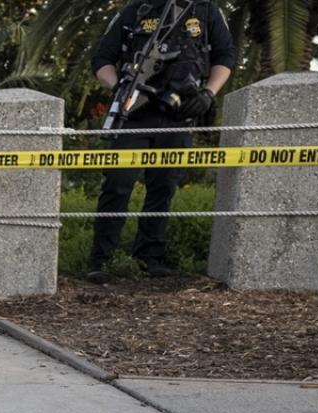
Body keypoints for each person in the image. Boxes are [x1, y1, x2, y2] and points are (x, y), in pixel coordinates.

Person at [86, 0, 234, 284]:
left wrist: (208, 93)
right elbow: (102, 60)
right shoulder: (135, 10)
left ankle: (149, 259)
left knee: (163, 186)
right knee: (117, 185)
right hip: (134, 114)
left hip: (179, 114)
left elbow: (225, 57)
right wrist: (120, 87)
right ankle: (100, 261)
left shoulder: (205, 10)